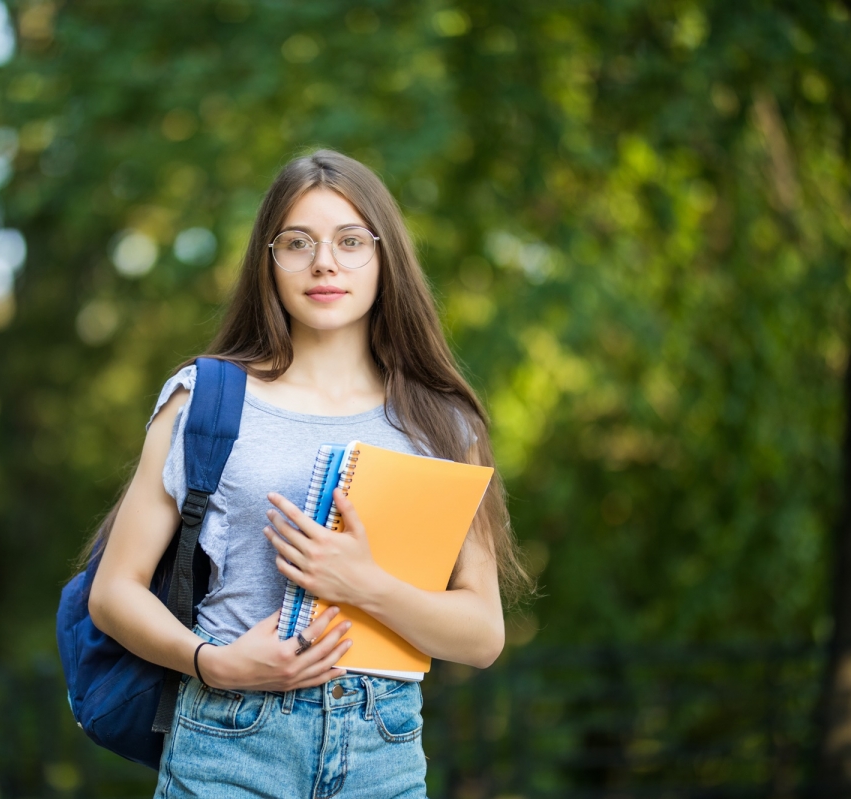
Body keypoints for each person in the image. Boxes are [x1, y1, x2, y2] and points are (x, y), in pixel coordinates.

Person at [88, 149, 529, 798]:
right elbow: (112, 592)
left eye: (351, 241)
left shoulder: (441, 421)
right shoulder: (204, 399)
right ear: (269, 261)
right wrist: (215, 663)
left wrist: (362, 582)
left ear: (385, 258)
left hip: (382, 748)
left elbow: (483, 634)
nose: (325, 262)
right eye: (297, 242)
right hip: (229, 740)